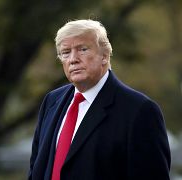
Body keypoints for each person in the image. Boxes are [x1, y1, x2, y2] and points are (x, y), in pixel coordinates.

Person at [28, 19, 171, 180]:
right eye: (66, 52)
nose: (73, 59)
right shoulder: (51, 101)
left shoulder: (140, 111)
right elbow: (36, 169)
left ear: (104, 55)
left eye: (82, 49)